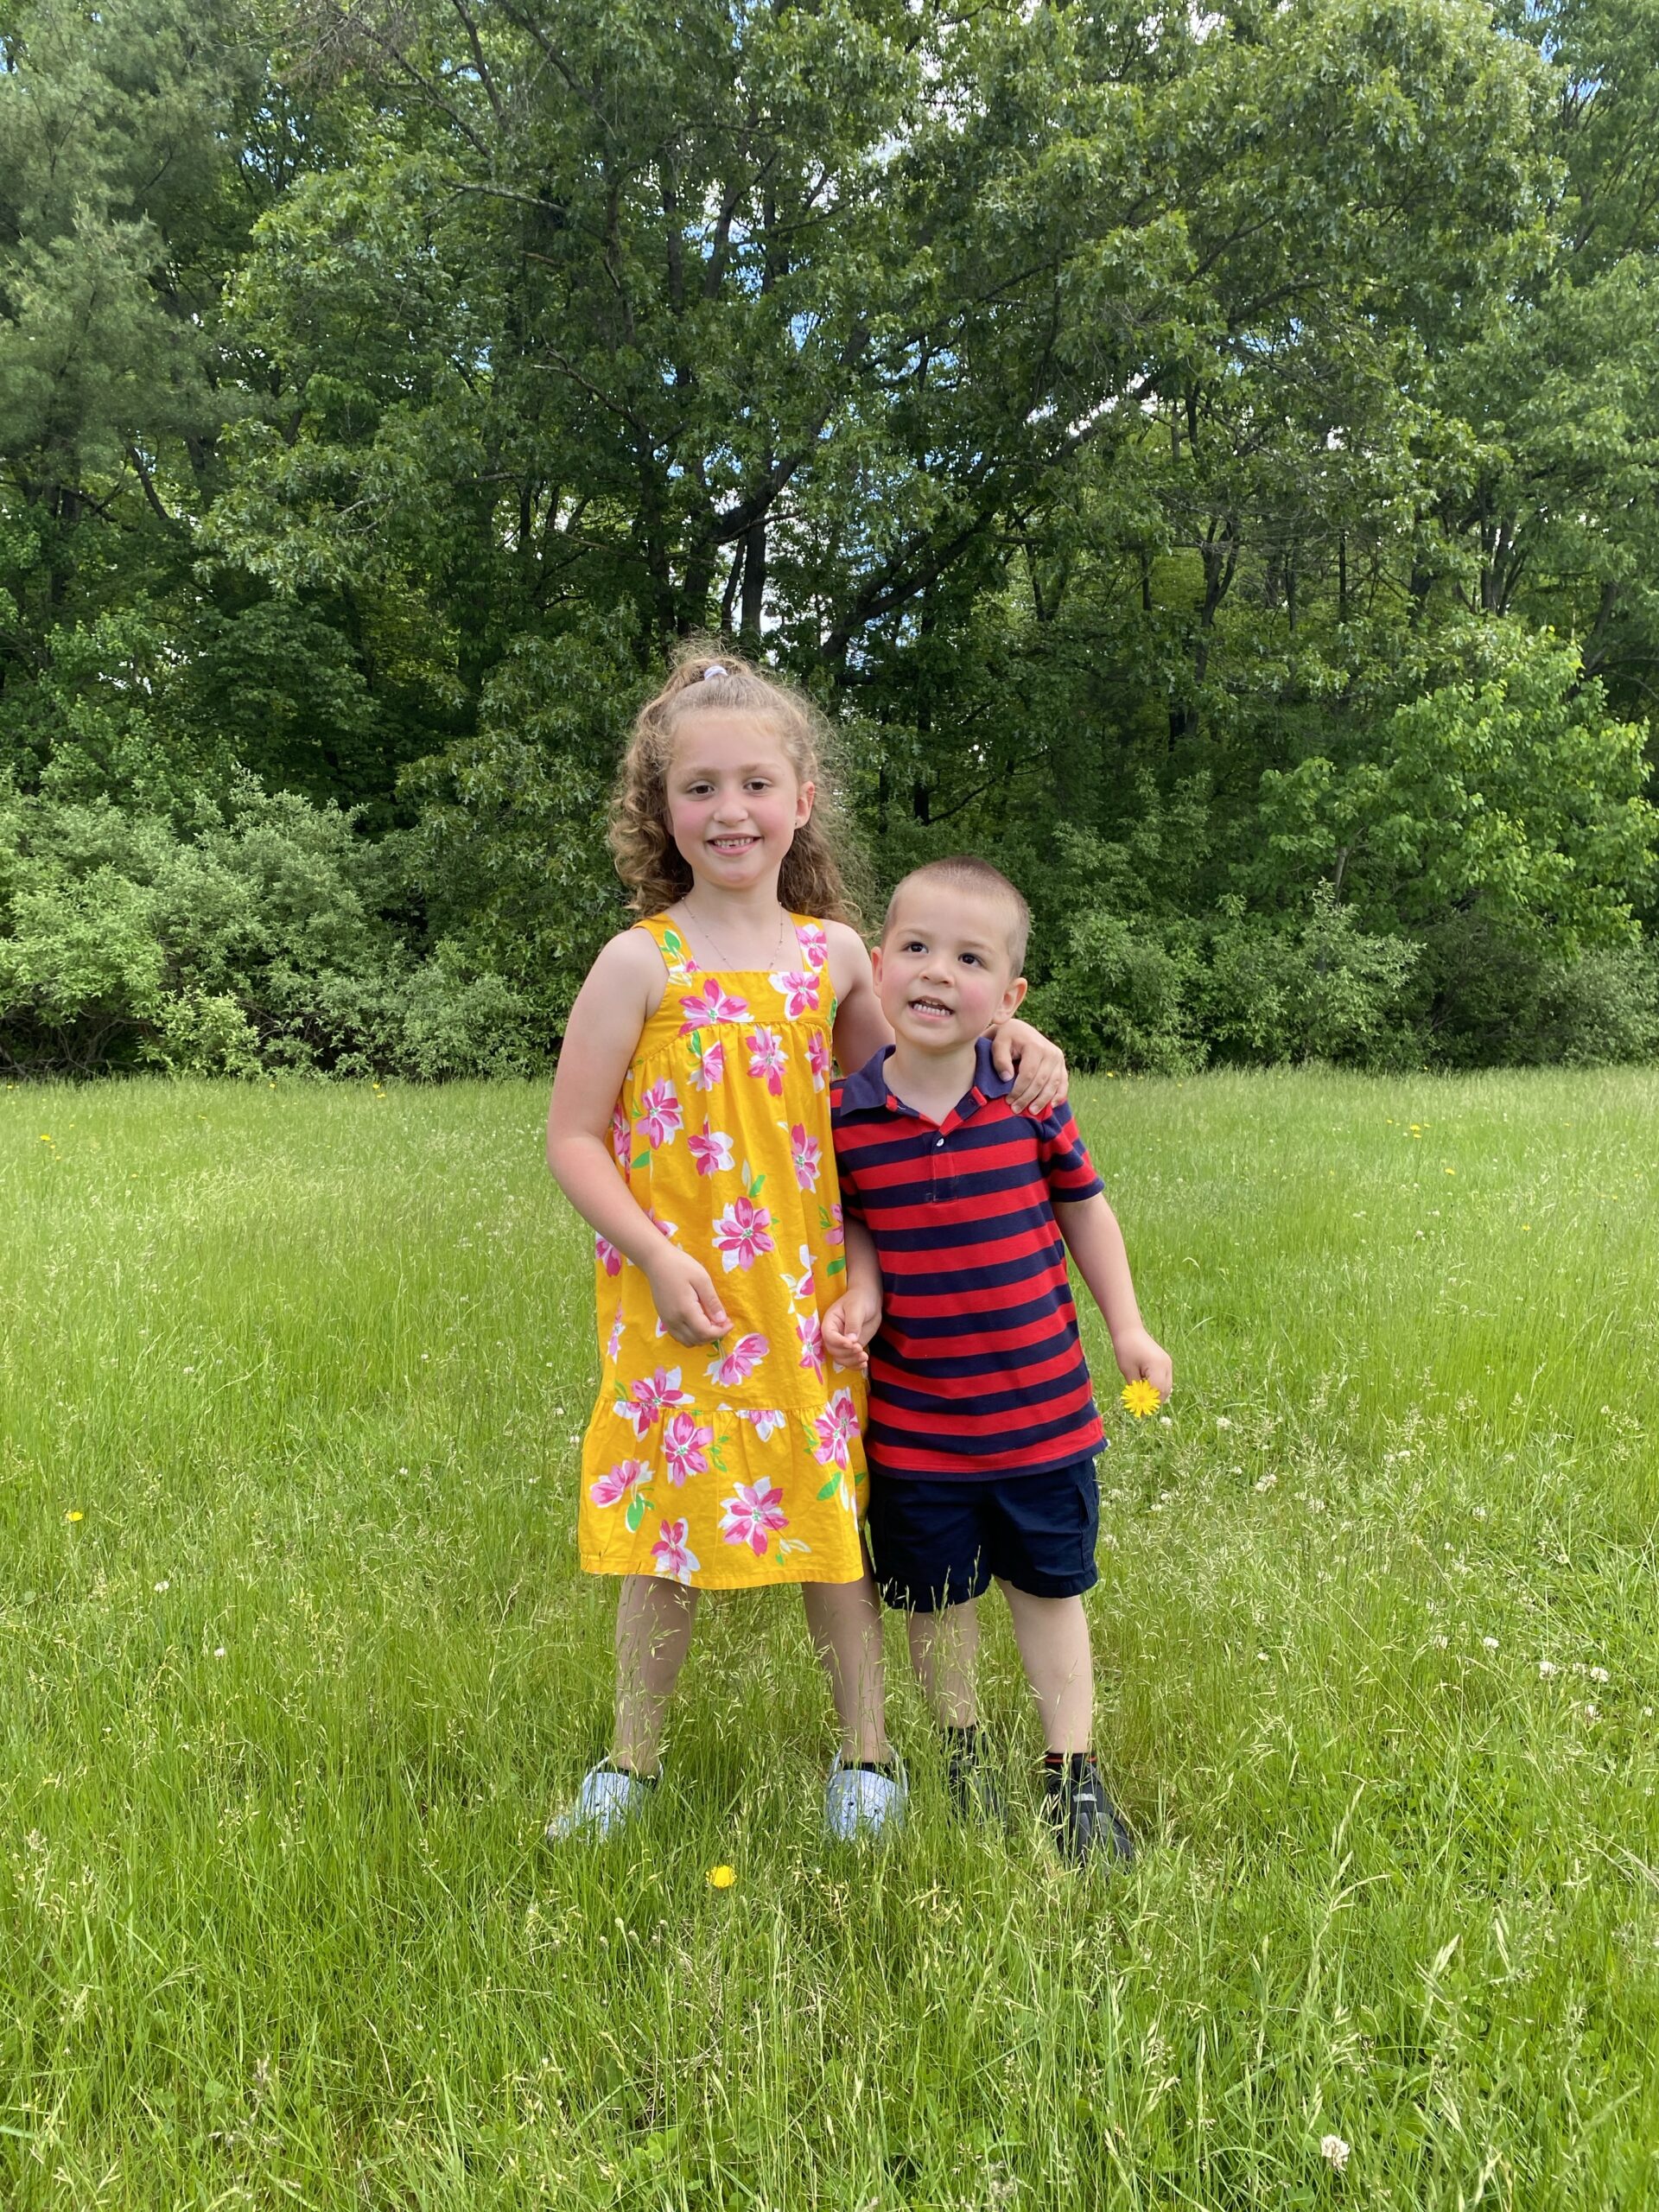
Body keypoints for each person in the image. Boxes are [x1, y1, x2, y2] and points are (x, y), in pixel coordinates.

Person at [543, 653, 1069, 1844]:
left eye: (755, 784)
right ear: (660, 808)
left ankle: (867, 1760)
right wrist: (654, 1255)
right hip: (680, 1304)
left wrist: (1020, 1035)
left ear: (802, 800)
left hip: (810, 1300)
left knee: (834, 1531)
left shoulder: (834, 957)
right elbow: (573, 1138)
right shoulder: (639, 962)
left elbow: (912, 1080)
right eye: (699, 788)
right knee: (668, 1540)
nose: (729, 811)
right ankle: (629, 1764)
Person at [824, 855, 1173, 1865]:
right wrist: (863, 1287)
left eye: (970, 959)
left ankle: (1073, 1773)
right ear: (879, 967)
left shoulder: (1026, 1095)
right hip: (918, 1429)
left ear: (1010, 997)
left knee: (1050, 1592)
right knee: (937, 1605)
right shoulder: (846, 1116)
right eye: (918, 948)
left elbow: (1085, 1209)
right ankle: (962, 1754)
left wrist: (1128, 1327)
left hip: (1042, 1417)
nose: (939, 972)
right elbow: (855, 1220)